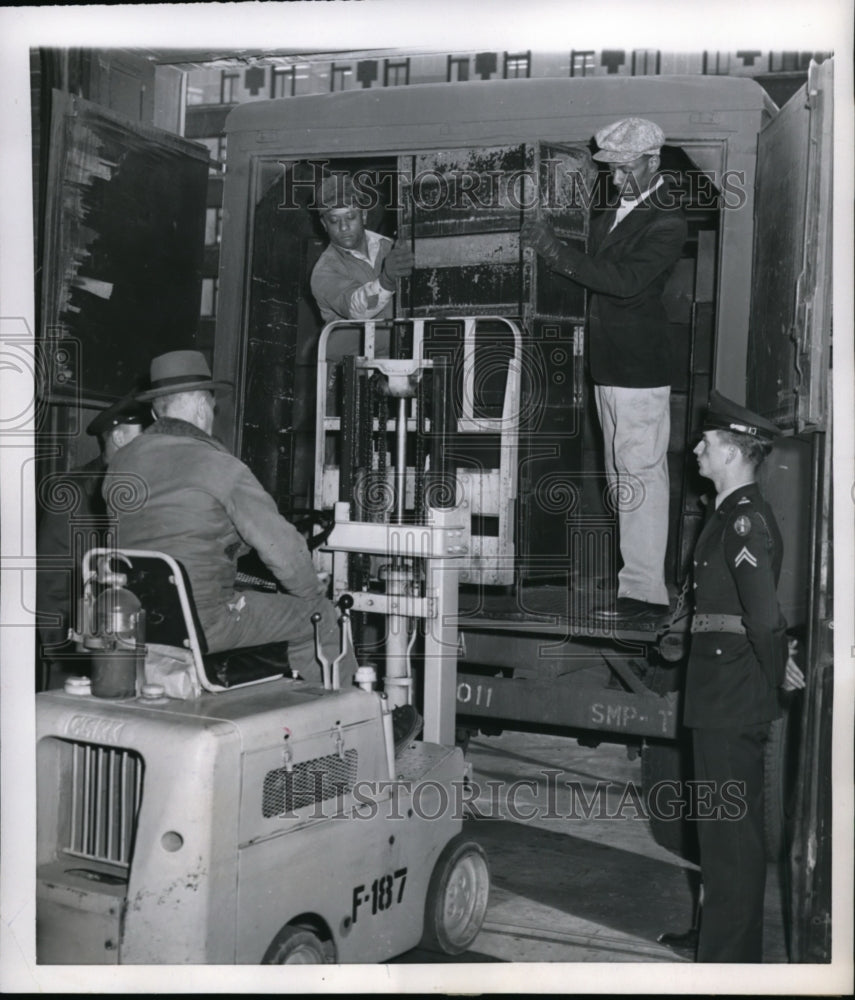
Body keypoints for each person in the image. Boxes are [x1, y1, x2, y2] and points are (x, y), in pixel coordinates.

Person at [102, 349, 355, 688]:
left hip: (138, 620)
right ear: (200, 406)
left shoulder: (121, 465)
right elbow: (284, 552)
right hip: (205, 623)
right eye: (211, 405)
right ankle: (351, 719)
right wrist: (311, 589)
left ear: (154, 410)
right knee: (318, 616)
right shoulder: (221, 467)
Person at [521, 117, 688, 623]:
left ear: (652, 163)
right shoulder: (612, 215)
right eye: (610, 170)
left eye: (623, 169)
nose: (614, 179)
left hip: (639, 370)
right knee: (622, 478)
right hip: (609, 366)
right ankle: (635, 584)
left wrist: (554, 251)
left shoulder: (667, 220)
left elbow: (625, 281)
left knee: (639, 474)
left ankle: (643, 595)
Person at [669, 390, 805, 963]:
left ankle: (730, 959)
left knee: (733, 840)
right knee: (716, 832)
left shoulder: (746, 521)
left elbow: (765, 617)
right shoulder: (725, 514)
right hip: (716, 692)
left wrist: (776, 674)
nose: (697, 448)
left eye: (708, 442)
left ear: (732, 453)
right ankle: (715, 937)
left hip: (733, 696)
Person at [36, 393, 150, 689]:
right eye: (146, 439)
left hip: (135, 649)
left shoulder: (147, 490)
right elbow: (50, 581)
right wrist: (65, 655)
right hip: (81, 655)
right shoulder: (73, 492)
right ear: (121, 437)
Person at [310, 172, 414, 324]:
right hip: (354, 348)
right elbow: (356, 309)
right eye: (334, 220)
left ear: (364, 215)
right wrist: (387, 280)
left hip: (399, 346)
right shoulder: (324, 271)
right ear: (324, 224)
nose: (344, 227)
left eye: (350, 217)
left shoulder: (390, 247)